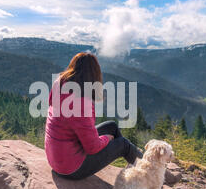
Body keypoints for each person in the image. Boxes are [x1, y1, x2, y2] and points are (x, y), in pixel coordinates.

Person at [44, 52, 143, 180]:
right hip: (71, 168)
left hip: (57, 157)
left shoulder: (60, 82)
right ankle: (146, 167)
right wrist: (106, 138)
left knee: (112, 126)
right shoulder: (81, 103)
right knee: (123, 144)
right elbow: (92, 148)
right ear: (93, 75)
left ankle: (136, 161)